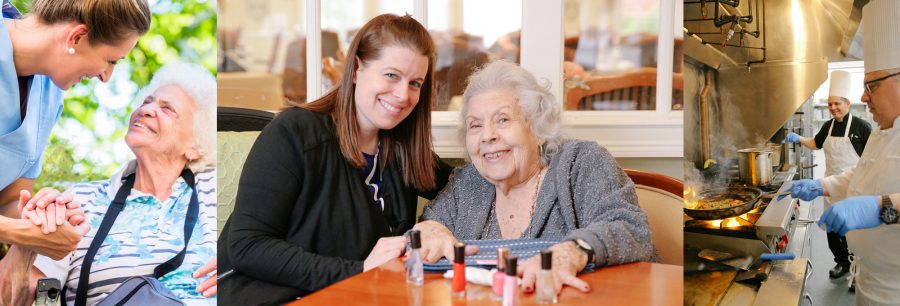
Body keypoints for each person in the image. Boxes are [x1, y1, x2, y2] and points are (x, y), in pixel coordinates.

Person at [218, 14, 453, 305]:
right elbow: (248, 246)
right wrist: (359, 270)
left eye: (415, 83)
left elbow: (459, 188)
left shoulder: (401, 149)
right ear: (356, 69)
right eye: (391, 75)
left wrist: (434, 224)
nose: (403, 94)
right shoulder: (295, 133)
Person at [413, 60, 658, 296]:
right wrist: (429, 230)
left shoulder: (581, 162)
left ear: (537, 129)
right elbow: (429, 227)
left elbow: (630, 227)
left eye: (503, 120)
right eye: (475, 125)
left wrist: (572, 251)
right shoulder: (468, 183)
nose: (487, 135)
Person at [6, 62, 219, 306]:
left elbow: (258, 241)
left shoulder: (213, 189)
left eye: (167, 109)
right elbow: (31, 297)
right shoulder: (80, 201)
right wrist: (28, 246)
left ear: (195, 145)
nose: (147, 110)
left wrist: (237, 270)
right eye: (146, 102)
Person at [0, 0, 151, 258]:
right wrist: (16, 232)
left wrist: (46, 215)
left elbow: (7, 202)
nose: (106, 77)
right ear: (76, 37)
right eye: (110, 60)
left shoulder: (49, 96)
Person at [786, 0, 900, 304]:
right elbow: (863, 173)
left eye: (871, 85)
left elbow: (881, 199)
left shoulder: (865, 125)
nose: (864, 96)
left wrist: (879, 207)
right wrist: (824, 185)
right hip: (869, 280)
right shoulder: (885, 130)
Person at [784, 70, 872, 280]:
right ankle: (841, 263)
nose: (833, 108)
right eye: (830, 104)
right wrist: (799, 138)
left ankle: (858, 271)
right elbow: (816, 143)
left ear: (848, 103)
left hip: (854, 189)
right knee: (833, 230)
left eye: (837, 104)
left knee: (854, 233)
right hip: (829, 187)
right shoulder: (827, 126)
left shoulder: (862, 127)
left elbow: (870, 162)